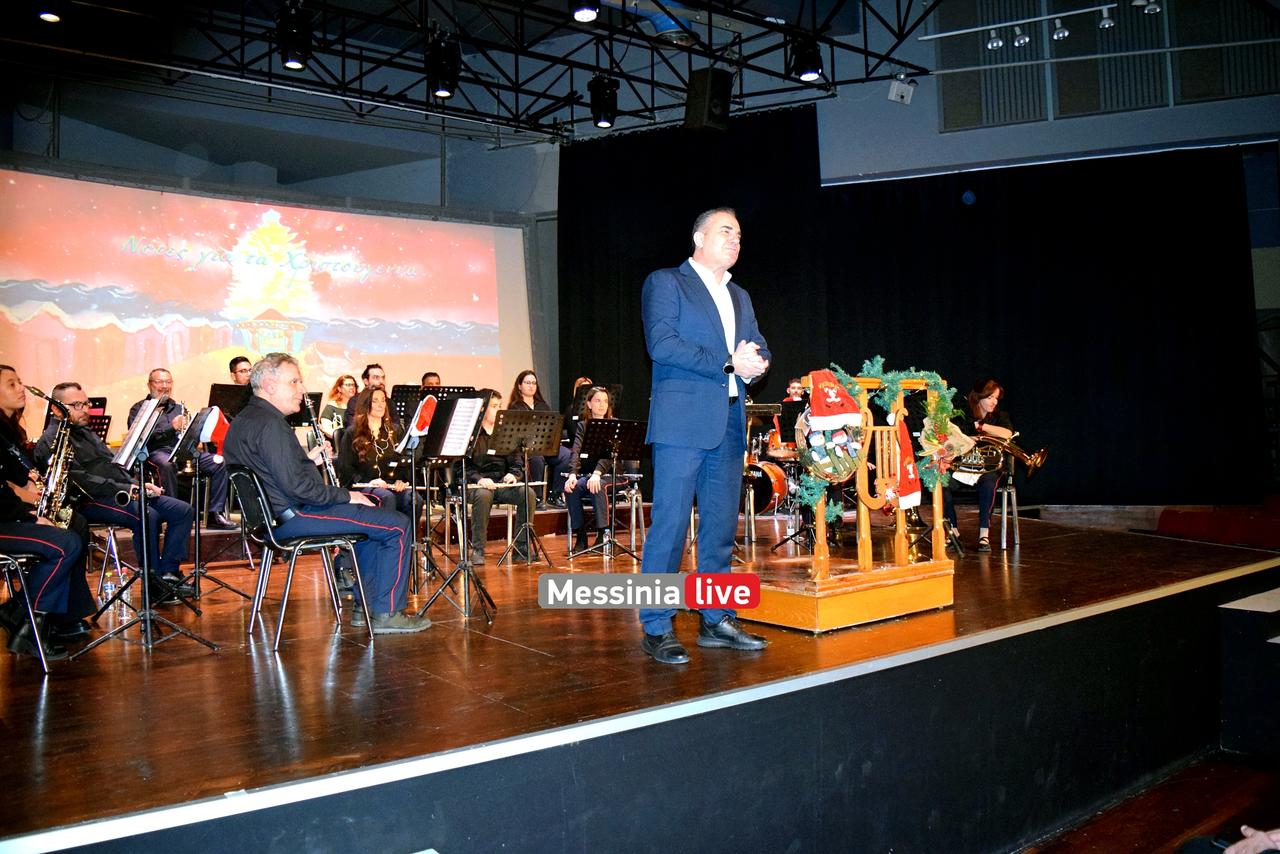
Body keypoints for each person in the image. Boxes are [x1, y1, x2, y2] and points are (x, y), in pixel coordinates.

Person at [638, 207, 771, 665]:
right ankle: (656, 625)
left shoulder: (740, 296)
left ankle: (716, 619)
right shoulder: (666, 283)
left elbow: (757, 345)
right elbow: (662, 344)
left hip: (729, 422)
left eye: (740, 235)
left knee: (719, 529)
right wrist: (730, 362)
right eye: (726, 231)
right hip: (681, 423)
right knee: (670, 526)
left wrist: (757, 363)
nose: (735, 240)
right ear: (699, 237)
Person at [223, 353, 428, 634]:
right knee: (397, 524)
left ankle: (367, 606)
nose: (302, 389)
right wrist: (346, 495)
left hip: (274, 517)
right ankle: (387, 613)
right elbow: (300, 489)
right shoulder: (270, 424)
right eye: (294, 382)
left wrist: (308, 461)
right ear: (269, 385)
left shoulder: (247, 419)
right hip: (294, 515)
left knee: (374, 514)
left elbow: (274, 473)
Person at [38, 382, 195, 601]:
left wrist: (138, 484)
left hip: (116, 492)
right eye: (77, 405)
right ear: (56, 409)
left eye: (86, 403)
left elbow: (112, 466)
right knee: (147, 515)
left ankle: (168, 574)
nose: (85, 409)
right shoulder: (52, 440)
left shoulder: (84, 431)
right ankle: (153, 585)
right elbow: (81, 481)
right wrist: (127, 488)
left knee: (182, 510)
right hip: (88, 500)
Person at [0, 366, 82, 660]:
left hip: (9, 516)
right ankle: (29, 626)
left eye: (19, 382)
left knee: (72, 530)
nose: (21, 388)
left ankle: (22, 614)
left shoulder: (10, 432)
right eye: (11, 384)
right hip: (4, 522)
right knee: (66, 544)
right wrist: (31, 516)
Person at [127, 368, 234, 529]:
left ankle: (214, 514)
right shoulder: (139, 408)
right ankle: (173, 515)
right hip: (156, 452)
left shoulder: (178, 408)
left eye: (168, 382)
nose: (164, 386)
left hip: (182, 451)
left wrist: (194, 429)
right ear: (149, 385)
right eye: (159, 382)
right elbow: (139, 438)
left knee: (219, 461)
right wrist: (171, 427)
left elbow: (188, 434)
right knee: (167, 464)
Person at [452, 390, 530, 566]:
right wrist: (479, 479)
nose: (499, 410)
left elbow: (517, 462)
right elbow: (459, 467)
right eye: (494, 406)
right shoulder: (470, 433)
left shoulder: (505, 432)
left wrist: (514, 474)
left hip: (500, 483)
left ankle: (521, 547)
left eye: (500, 406)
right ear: (483, 409)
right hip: (475, 484)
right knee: (483, 495)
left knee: (527, 493)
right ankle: (478, 549)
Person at [943, 377, 1014, 553]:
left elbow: (1007, 433)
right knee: (941, 482)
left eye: (996, 398)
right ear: (979, 397)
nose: (994, 402)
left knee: (989, 482)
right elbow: (951, 438)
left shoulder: (1000, 416)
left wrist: (982, 427)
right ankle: (953, 531)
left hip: (989, 468)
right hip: (963, 466)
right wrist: (967, 440)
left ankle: (984, 534)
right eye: (990, 397)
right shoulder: (962, 416)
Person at [336, 387, 412, 516]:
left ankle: (407, 530)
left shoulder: (395, 431)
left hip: (391, 485)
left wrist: (401, 480)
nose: (380, 405)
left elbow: (402, 462)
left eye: (383, 400)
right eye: (375, 401)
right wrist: (369, 482)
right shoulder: (352, 433)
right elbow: (345, 469)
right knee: (386, 497)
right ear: (366, 404)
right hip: (364, 485)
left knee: (413, 499)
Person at [507, 369, 572, 508]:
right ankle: (536, 497)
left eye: (534, 383)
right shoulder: (515, 407)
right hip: (526, 448)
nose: (531, 386)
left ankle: (555, 493)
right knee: (537, 459)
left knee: (566, 455)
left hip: (545, 445)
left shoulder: (542, 405)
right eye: (527, 383)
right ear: (519, 386)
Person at [563, 386, 618, 552]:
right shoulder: (583, 426)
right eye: (597, 401)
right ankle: (581, 536)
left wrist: (597, 473)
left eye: (605, 401)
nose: (602, 405)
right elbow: (576, 451)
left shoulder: (614, 424)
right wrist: (572, 474)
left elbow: (608, 456)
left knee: (597, 485)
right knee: (572, 488)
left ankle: (603, 535)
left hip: (613, 475)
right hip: (591, 476)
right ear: (589, 404)